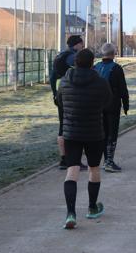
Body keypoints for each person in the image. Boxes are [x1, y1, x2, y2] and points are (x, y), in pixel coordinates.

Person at [56, 48, 111, 229]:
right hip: (94, 132)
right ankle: (91, 207)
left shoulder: (64, 81)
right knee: (94, 169)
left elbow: (60, 102)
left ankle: (70, 213)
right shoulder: (101, 83)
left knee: (72, 170)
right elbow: (107, 104)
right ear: (92, 63)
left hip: (71, 132)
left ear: (75, 63)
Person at [93, 42, 130, 172]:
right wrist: (126, 105)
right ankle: (109, 161)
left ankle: (104, 160)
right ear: (113, 54)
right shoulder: (116, 68)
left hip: (98, 106)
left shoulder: (96, 67)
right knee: (112, 133)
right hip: (113, 105)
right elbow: (123, 89)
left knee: (102, 134)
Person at [50, 35, 85, 170]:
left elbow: (52, 77)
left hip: (61, 93)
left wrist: (54, 94)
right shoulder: (73, 56)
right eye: (81, 44)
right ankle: (75, 160)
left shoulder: (60, 56)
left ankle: (63, 159)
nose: (82, 47)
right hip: (73, 95)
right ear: (77, 44)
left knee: (62, 127)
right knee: (76, 127)